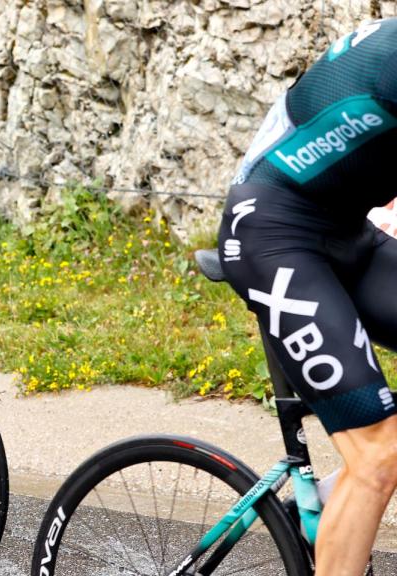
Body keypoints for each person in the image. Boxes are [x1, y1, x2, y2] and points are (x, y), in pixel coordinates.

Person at [220, 17, 397, 575]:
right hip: (272, 236)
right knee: (376, 457)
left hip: (346, 231)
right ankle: (348, 497)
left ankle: (322, 503)